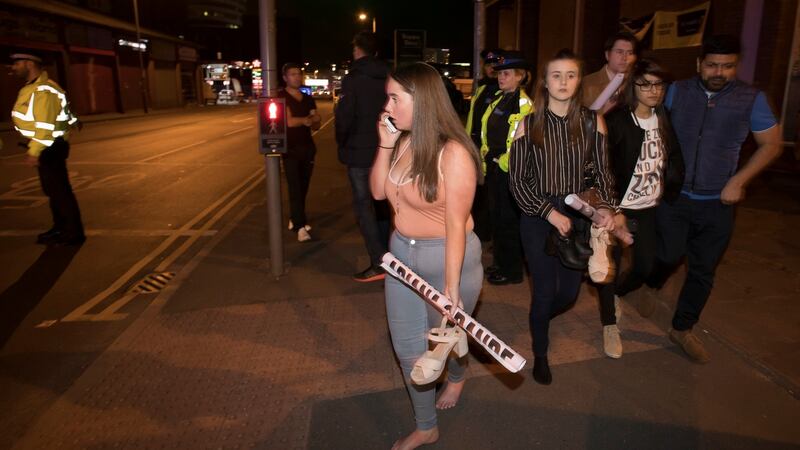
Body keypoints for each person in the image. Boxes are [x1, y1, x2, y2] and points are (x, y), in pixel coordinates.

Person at [370, 62, 483, 450]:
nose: (387, 106)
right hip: (401, 256)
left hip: (448, 257)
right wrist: (384, 144)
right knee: (407, 348)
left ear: (422, 101)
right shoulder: (401, 141)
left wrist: (451, 289)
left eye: (394, 98)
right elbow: (378, 194)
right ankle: (426, 424)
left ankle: (456, 374)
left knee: (446, 340)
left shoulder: (454, 154)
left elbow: (455, 225)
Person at [653, 35, 781, 363]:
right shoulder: (677, 91)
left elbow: (771, 144)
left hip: (718, 202)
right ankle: (649, 284)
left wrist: (739, 180)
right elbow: (650, 130)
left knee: (703, 269)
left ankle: (683, 328)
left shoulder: (752, 99)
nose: (719, 72)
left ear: (736, 66)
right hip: (674, 196)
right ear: (699, 65)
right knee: (668, 255)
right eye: (712, 65)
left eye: (727, 66)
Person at [509, 50, 617, 385]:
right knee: (543, 291)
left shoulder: (592, 121)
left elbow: (603, 173)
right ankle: (540, 352)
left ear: (579, 80)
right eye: (556, 75)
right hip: (537, 214)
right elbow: (517, 181)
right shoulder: (528, 124)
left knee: (569, 293)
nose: (563, 82)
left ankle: (538, 318)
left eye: (570, 75)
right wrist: (549, 212)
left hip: (578, 213)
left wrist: (606, 208)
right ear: (544, 81)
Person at [596, 58, 685, 359]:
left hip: (648, 208)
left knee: (645, 267)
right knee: (609, 270)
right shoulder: (618, 121)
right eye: (645, 84)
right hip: (618, 210)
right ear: (633, 87)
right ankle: (609, 324)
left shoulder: (664, 118)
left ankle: (618, 296)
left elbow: (672, 156)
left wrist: (673, 185)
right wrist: (610, 207)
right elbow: (602, 166)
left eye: (658, 84)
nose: (653, 90)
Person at [9, 52, 85, 246]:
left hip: (49, 146)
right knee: (53, 191)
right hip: (47, 145)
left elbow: (45, 126)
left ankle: (72, 233)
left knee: (60, 191)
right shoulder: (34, 87)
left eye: (17, 63)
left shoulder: (44, 90)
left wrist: (34, 151)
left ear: (29, 63)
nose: (13, 67)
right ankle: (59, 228)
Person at [335, 31, 391, 281]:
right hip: (385, 149)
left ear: (358, 50)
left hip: (359, 152)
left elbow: (344, 118)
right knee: (383, 204)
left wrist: (342, 142)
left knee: (363, 207)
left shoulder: (353, 79)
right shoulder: (389, 76)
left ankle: (378, 262)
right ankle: (390, 257)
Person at [478, 51, 533, 285]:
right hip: (494, 169)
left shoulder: (524, 105)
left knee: (508, 222)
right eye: (500, 73)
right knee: (497, 219)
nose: (501, 77)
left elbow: (523, 144)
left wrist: (501, 161)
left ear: (520, 76)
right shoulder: (500, 98)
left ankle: (512, 271)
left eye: (507, 73)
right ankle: (500, 264)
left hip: (509, 172)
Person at [279, 62, 321, 242]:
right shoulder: (281, 98)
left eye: (299, 74)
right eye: (292, 74)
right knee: (294, 187)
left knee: (303, 187)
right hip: (290, 149)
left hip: (308, 148)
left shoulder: (307, 98)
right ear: (285, 78)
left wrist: (316, 119)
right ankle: (300, 226)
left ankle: (295, 218)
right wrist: (307, 119)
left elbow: (316, 123)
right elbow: (288, 122)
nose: (297, 77)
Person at [465, 48, 502, 243]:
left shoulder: (503, 90)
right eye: (488, 64)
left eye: (496, 64)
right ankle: (479, 231)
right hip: (473, 147)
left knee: (489, 195)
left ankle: (485, 235)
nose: (491, 68)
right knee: (477, 192)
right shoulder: (481, 88)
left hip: (490, 151)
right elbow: (474, 119)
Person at [582, 32, 639, 114]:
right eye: (619, 52)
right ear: (607, 55)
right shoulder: (586, 84)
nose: (625, 58)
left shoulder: (638, 83)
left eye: (630, 53)